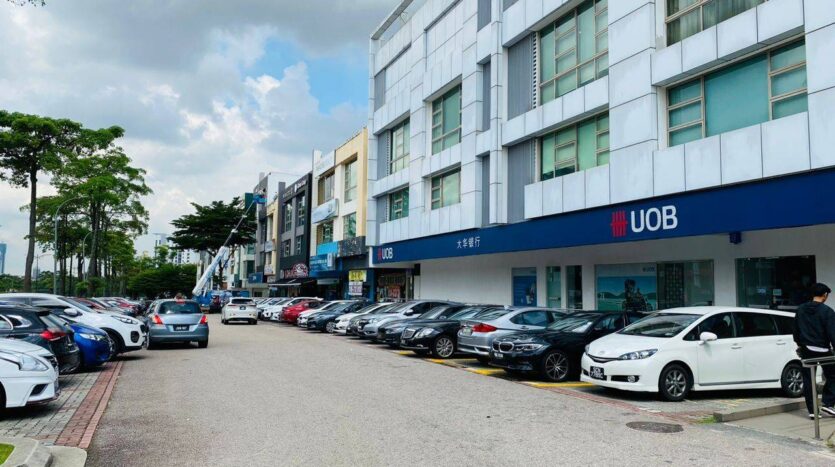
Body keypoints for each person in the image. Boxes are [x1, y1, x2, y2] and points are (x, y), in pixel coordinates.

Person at [793, 283, 835, 418]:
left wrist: (800, 344)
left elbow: (796, 330)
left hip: (806, 349)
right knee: (833, 375)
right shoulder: (827, 311)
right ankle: (828, 403)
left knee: (809, 379)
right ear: (825, 295)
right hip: (823, 349)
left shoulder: (801, 309)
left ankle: (812, 411)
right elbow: (832, 333)